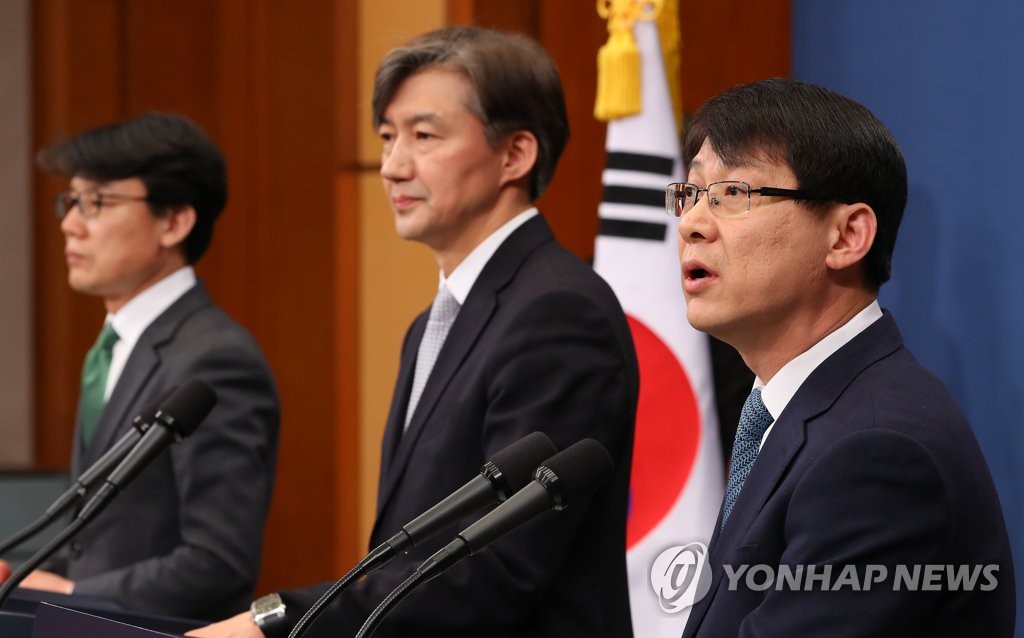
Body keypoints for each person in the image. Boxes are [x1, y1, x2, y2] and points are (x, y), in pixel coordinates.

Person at [190, 26, 638, 638]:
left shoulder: (558, 312)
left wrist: (271, 623)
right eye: (387, 137)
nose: (393, 166)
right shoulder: (432, 323)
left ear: (515, 154)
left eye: (424, 136)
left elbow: (494, 572)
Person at [670, 78, 1015, 637]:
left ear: (847, 236)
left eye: (732, 193)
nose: (691, 224)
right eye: (690, 193)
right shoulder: (796, 411)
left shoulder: (877, 452)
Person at [0, 113, 280, 621]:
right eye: (71, 201)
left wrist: (70, 591)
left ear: (174, 221)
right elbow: (92, 542)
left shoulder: (215, 359)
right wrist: (27, 579)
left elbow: (217, 563)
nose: (70, 223)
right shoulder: (113, 347)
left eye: (97, 203)